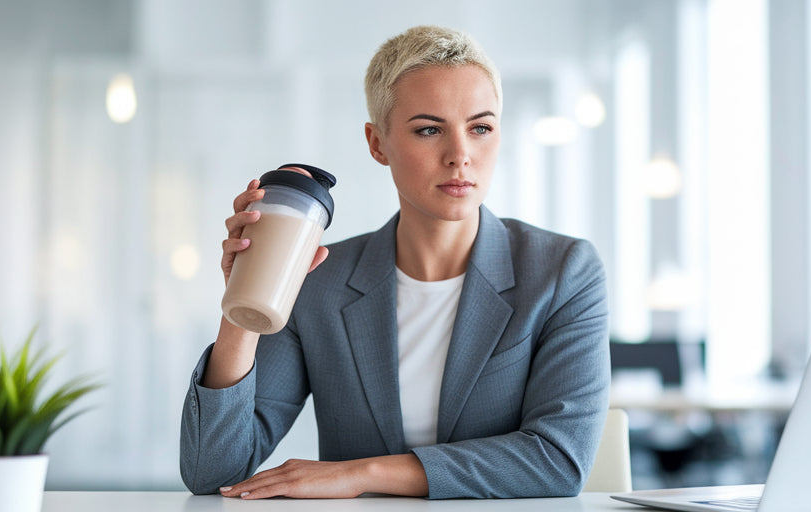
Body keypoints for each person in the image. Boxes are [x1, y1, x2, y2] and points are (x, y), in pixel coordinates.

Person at [180, 25, 609, 500]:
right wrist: (243, 304)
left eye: (480, 128)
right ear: (377, 143)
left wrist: (361, 474)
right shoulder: (319, 281)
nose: (460, 156)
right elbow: (210, 470)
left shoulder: (563, 271)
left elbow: (559, 461)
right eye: (429, 130)